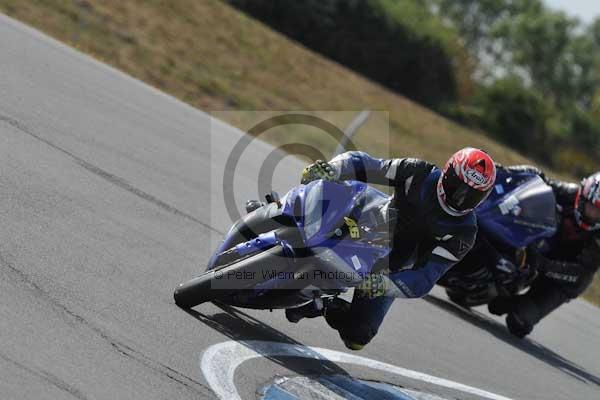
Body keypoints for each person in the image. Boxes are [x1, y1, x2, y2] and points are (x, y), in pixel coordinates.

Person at [286, 148, 497, 350]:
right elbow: (368, 164)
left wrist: (385, 285)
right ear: (448, 172)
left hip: (388, 271)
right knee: (314, 200)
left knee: (357, 337)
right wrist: (333, 168)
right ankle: (271, 214)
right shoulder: (419, 172)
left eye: (471, 195)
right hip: (367, 221)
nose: (460, 198)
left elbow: (426, 277)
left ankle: (320, 305)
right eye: (457, 187)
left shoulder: (464, 232)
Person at [487, 166, 600, 338]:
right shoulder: (569, 193)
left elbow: (579, 272)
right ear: (582, 196)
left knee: (519, 323)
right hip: (546, 247)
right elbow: (539, 178)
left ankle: (512, 301)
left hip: (563, 280)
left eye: (598, 213)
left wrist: (542, 264)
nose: (592, 214)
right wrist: (503, 170)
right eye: (591, 207)